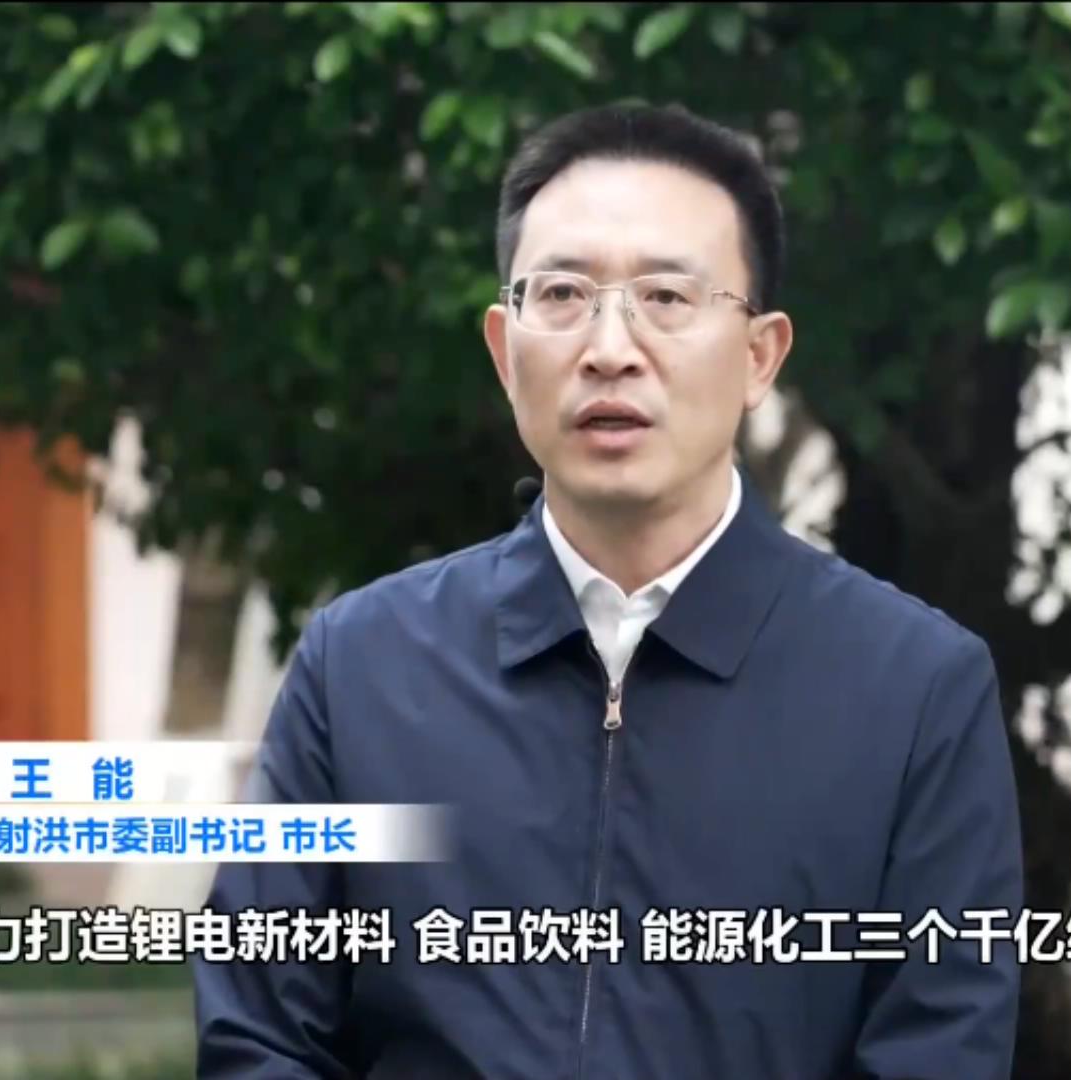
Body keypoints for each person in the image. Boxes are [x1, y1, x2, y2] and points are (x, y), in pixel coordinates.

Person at [192, 101, 1023, 1080]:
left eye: (666, 297)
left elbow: (939, 1049)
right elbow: (261, 1034)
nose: (610, 348)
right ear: (504, 351)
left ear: (759, 355)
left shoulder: (914, 689)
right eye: (563, 294)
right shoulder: (362, 668)